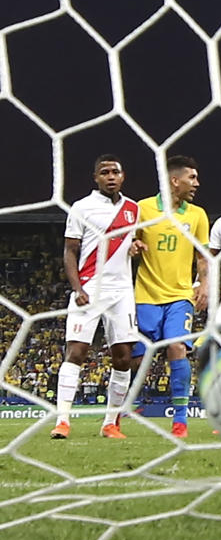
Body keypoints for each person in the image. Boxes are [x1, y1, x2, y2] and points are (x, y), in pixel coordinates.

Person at [52, 155, 140, 439]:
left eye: (115, 171)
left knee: (123, 358)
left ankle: (110, 423)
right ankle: (62, 420)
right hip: (89, 289)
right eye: (104, 172)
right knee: (76, 352)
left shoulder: (133, 209)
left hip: (122, 292)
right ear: (96, 178)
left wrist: (135, 246)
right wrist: (77, 288)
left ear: (123, 176)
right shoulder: (81, 207)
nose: (111, 176)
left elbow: (130, 243)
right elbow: (70, 251)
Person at [130, 155, 209, 438]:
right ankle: (121, 412)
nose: (196, 183)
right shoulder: (143, 208)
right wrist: (134, 244)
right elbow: (127, 240)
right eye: (192, 178)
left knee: (178, 348)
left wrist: (203, 284)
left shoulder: (197, 215)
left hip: (180, 296)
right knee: (137, 360)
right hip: (146, 294)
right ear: (174, 181)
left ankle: (180, 421)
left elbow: (203, 256)